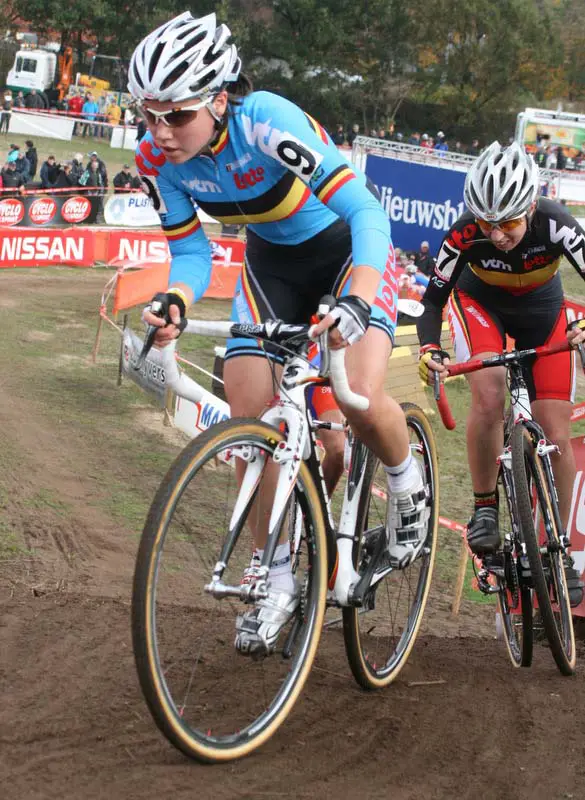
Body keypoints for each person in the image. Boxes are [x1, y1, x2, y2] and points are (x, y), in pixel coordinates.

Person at [129, 11, 430, 656]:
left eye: (175, 115)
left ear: (216, 99)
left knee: (353, 403)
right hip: (273, 272)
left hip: (350, 254)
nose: (160, 132)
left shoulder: (265, 121)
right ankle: (277, 577)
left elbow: (366, 210)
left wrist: (356, 296)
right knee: (257, 425)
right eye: (147, 115)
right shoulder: (158, 158)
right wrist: (176, 302)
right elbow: (190, 257)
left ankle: (407, 487)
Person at [416, 140, 585, 605]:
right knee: (489, 399)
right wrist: (430, 347)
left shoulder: (555, 223)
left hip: (544, 314)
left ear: (530, 206)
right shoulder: (464, 233)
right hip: (480, 305)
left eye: (509, 222)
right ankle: (485, 508)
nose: (498, 234)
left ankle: (564, 552)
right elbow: (431, 303)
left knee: (554, 431)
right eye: (487, 222)